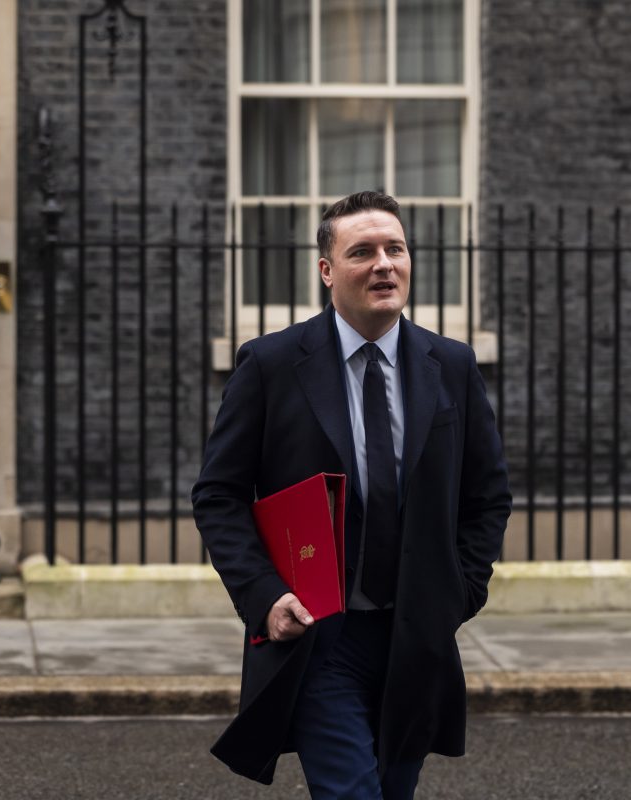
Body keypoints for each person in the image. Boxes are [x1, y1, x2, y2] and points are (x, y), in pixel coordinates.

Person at [192, 190, 512, 798]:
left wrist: (461, 591)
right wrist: (264, 595)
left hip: (415, 637)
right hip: (322, 639)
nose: (384, 264)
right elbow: (218, 495)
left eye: (396, 249)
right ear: (327, 270)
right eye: (362, 252)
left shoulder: (452, 364)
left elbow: (487, 495)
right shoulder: (271, 364)